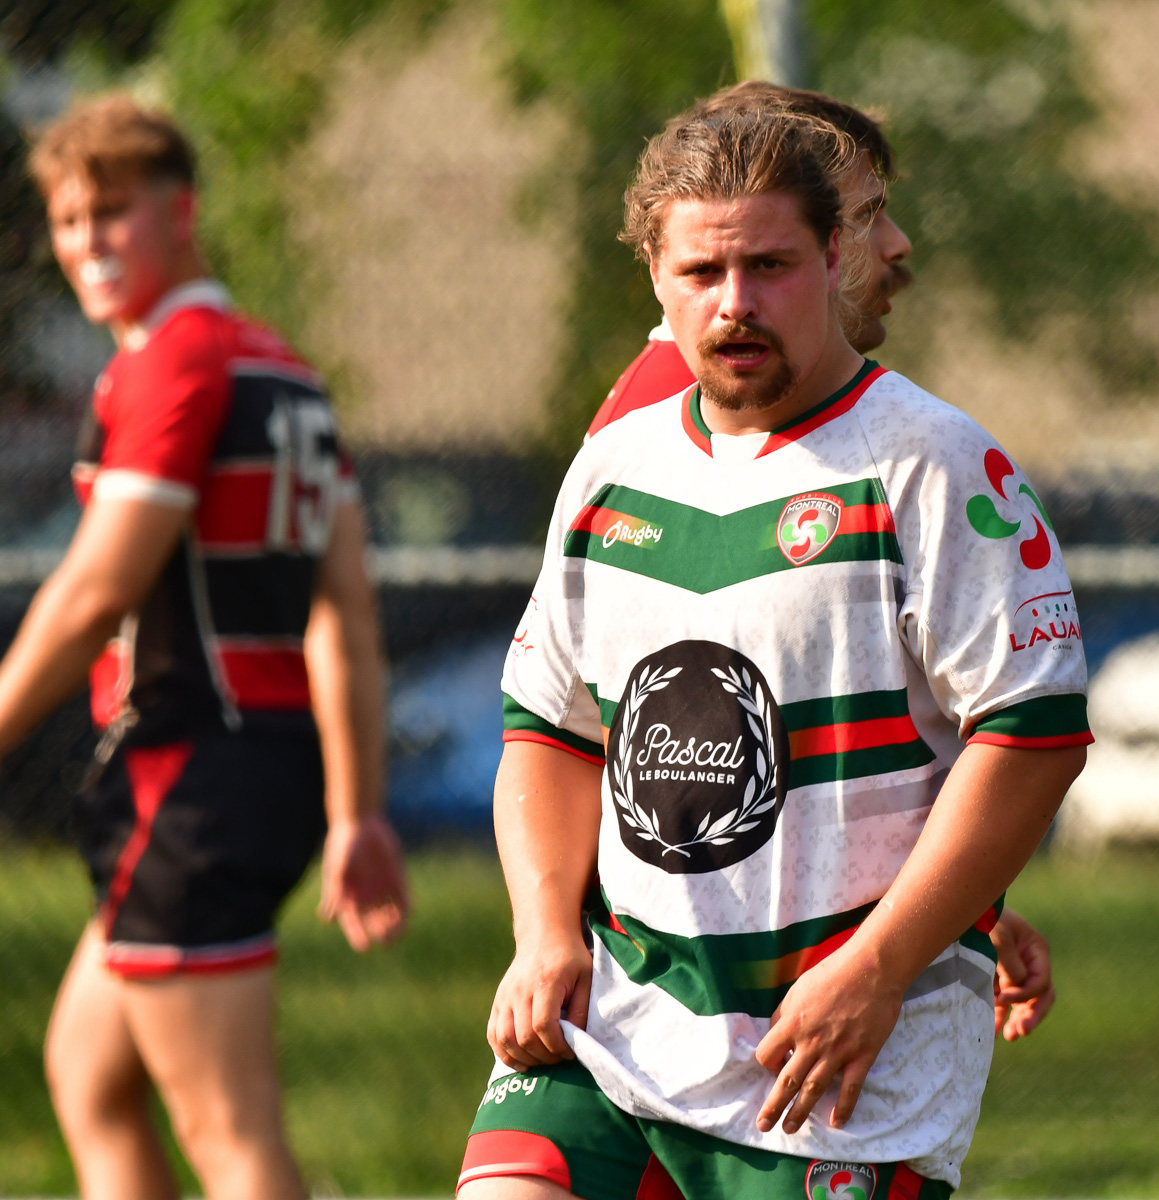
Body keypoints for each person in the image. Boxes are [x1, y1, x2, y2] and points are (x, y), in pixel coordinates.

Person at [458, 100, 1090, 1199]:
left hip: (828, 1072)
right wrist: (541, 931)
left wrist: (888, 960)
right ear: (654, 274)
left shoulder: (934, 464)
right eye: (704, 271)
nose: (736, 302)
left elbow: (1032, 736)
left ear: (828, 255)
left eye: (771, 266)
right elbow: (551, 725)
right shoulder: (618, 462)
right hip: (613, 1027)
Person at [589, 80, 1056, 1046]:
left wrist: (965, 911)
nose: (897, 247)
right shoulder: (660, 424)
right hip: (676, 993)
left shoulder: (865, 428)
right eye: (868, 212)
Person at [0, 95, 409, 1199]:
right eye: (67, 220)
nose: (86, 242)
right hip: (258, 770)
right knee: (89, 1075)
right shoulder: (282, 368)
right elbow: (346, 617)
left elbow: (98, 588)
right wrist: (353, 809)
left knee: (231, 1135)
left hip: (192, 774)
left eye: (112, 214)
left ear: (181, 212)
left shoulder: (171, 362)